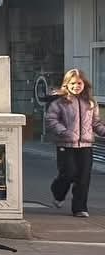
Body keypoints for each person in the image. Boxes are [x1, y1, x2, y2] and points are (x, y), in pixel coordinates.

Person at [45, 68, 105, 218]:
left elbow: (96, 123)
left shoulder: (90, 103)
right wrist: (64, 131)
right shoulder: (59, 102)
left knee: (83, 177)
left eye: (79, 83)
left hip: (86, 145)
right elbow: (51, 120)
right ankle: (58, 192)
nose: (76, 86)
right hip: (66, 145)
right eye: (73, 83)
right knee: (69, 173)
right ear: (66, 84)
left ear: (84, 84)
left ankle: (80, 208)